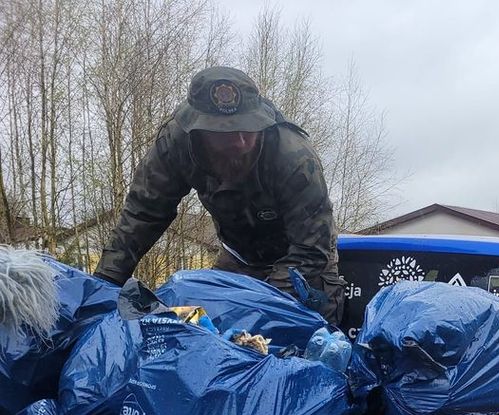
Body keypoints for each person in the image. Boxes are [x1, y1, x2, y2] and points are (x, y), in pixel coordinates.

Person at [95, 66, 344, 323]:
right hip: (239, 257)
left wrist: (258, 308)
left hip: (304, 266)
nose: (239, 142)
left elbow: (312, 248)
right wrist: (102, 287)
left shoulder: (293, 155)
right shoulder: (176, 143)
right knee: (208, 331)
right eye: (224, 132)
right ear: (198, 131)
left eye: (247, 128)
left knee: (294, 339)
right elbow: (142, 215)